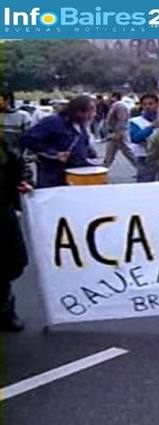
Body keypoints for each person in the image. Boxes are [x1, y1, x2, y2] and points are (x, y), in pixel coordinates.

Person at [20, 96, 97, 188]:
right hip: (53, 177)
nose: (94, 115)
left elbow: (83, 147)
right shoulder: (53, 122)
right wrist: (54, 154)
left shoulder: (81, 127)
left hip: (75, 177)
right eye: (91, 111)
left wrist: (90, 153)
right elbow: (27, 139)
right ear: (79, 112)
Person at [0, 131, 31, 332]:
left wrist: (21, 182)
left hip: (2, 212)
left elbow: (16, 164)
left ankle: (5, 311)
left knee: (10, 263)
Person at [129, 93, 159, 183]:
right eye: (144, 104)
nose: (147, 106)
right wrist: (151, 127)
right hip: (144, 158)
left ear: (157, 104)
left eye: (150, 104)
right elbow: (135, 138)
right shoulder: (135, 121)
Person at [103, 92, 137, 169]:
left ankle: (141, 168)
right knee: (109, 154)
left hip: (118, 132)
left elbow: (121, 119)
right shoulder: (116, 105)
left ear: (114, 97)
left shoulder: (119, 105)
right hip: (115, 132)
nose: (108, 99)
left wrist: (118, 132)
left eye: (110, 97)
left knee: (128, 152)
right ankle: (103, 170)